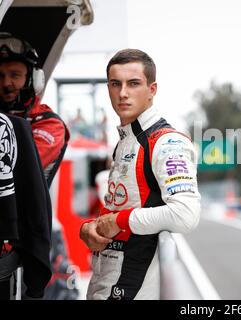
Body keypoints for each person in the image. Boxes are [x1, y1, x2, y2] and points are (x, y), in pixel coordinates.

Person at [79, 49, 201, 300]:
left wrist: (119, 221)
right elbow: (122, 204)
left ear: (152, 90)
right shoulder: (126, 141)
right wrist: (88, 228)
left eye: (133, 84)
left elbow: (186, 214)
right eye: (115, 84)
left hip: (133, 287)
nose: (122, 93)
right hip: (105, 277)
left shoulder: (167, 142)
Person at [0, 33, 75, 299]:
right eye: (0, 76)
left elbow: (15, 165)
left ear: (32, 79)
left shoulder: (48, 123)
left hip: (22, 242)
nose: (7, 83)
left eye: (15, 74)